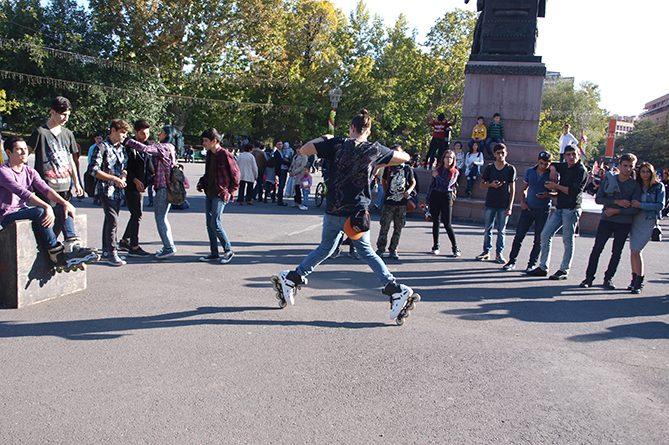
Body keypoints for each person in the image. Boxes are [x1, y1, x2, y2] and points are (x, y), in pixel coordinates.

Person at [273, 109, 417, 321]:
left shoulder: (336, 143)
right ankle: (393, 288)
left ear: (351, 128)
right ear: (368, 130)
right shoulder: (374, 149)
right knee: (364, 251)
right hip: (356, 213)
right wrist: (379, 161)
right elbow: (405, 158)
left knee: (326, 247)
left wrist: (325, 138)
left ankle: (294, 277)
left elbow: (303, 150)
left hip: (334, 207)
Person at [0, 136, 97, 270]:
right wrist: (46, 206)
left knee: (63, 208)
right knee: (40, 211)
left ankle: (72, 246)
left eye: (25, 149)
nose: (24, 153)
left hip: (22, 210)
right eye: (19, 150)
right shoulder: (3, 172)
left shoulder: (29, 171)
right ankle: (55, 252)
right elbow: (22, 192)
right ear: (9, 152)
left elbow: (45, 189)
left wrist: (65, 203)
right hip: (7, 216)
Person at [28, 96, 86, 252]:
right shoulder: (40, 132)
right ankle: (48, 251)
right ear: (52, 112)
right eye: (62, 115)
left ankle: (66, 249)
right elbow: (24, 154)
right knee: (47, 221)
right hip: (47, 186)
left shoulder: (68, 134)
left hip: (65, 184)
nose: (65, 119)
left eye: (68, 115)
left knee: (64, 218)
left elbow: (71, 160)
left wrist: (77, 182)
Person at [580, 153, 641, 289]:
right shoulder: (609, 180)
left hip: (624, 222)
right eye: (625, 166)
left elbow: (635, 209)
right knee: (597, 249)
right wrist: (616, 202)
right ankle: (588, 278)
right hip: (606, 220)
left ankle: (608, 279)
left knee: (616, 252)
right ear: (619, 166)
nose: (627, 169)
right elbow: (599, 199)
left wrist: (617, 210)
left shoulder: (635, 185)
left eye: (631, 166)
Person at [528, 145, 588, 280]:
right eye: (568, 154)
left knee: (567, 239)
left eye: (574, 154)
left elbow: (573, 192)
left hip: (571, 209)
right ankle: (543, 267)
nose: (571, 157)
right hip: (560, 208)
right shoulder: (564, 166)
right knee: (545, 234)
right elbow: (551, 164)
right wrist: (553, 170)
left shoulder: (581, 170)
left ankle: (564, 270)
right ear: (564, 156)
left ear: (578, 154)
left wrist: (555, 186)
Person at [125, 126, 182, 259]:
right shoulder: (171, 148)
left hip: (163, 188)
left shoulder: (164, 146)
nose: (159, 134)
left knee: (160, 218)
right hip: (166, 187)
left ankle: (168, 247)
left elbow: (146, 149)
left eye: (161, 132)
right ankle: (169, 246)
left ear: (166, 135)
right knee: (163, 218)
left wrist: (129, 141)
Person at [89, 119, 131, 266]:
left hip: (118, 190)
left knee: (110, 220)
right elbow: (93, 170)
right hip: (105, 189)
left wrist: (123, 176)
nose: (124, 136)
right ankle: (112, 252)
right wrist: (113, 178)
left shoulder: (122, 148)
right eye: (122, 133)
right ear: (113, 130)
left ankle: (106, 250)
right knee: (113, 220)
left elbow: (125, 166)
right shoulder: (100, 147)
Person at [195, 128, 240, 264]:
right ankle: (214, 252)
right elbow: (208, 173)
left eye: (205, 141)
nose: (204, 144)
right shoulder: (210, 154)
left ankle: (228, 250)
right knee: (210, 225)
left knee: (215, 223)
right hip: (209, 192)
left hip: (220, 195)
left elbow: (236, 176)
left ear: (214, 141)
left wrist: (229, 191)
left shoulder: (225, 155)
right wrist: (202, 183)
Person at [503, 151, 552, 271]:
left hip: (543, 209)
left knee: (538, 239)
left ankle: (531, 264)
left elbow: (556, 192)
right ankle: (512, 261)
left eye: (546, 164)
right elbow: (523, 189)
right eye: (541, 163)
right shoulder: (530, 171)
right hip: (529, 208)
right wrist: (522, 202)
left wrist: (548, 194)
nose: (543, 166)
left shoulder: (552, 174)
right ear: (537, 160)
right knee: (519, 235)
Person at [628, 162, 665, 293]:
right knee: (632, 251)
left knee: (637, 251)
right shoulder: (636, 185)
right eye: (643, 171)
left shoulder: (658, 187)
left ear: (652, 172)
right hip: (634, 220)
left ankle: (639, 282)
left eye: (647, 171)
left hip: (648, 221)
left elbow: (660, 205)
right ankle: (633, 279)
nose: (645, 174)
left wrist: (641, 205)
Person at [476, 143, 516, 263]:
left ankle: (499, 253)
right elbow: (481, 185)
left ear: (506, 154)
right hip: (490, 202)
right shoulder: (489, 168)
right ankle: (486, 251)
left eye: (503, 153)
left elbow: (513, 189)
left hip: (503, 203)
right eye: (498, 153)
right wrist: (491, 185)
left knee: (501, 230)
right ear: (494, 154)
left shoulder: (510, 169)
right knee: (488, 228)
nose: (500, 155)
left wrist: (510, 206)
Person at [118, 119, 152, 258]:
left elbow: (149, 164)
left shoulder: (147, 145)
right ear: (135, 132)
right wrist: (135, 180)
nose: (145, 136)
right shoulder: (128, 146)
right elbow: (126, 167)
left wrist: (151, 178)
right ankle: (134, 246)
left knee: (135, 213)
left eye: (147, 133)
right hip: (131, 184)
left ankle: (125, 240)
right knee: (137, 214)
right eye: (142, 133)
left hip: (142, 184)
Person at [376, 144, 416, 260]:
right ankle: (380, 248)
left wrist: (408, 190)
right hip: (389, 202)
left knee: (398, 227)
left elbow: (413, 182)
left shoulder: (407, 168)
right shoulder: (388, 167)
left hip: (402, 202)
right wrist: (386, 192)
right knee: (385, 225)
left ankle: (393, 249)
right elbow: (383, 181)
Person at [424, 149, 460, 257]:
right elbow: (432, 185)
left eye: (451, 158)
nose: (448, 159)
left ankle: (455, 247)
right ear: (443, 158)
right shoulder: (438, 170)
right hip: (436, 196)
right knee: (435, 222)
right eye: (446, 157)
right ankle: (435, 246)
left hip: (446, 196)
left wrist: (437, 176)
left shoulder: (455, 172)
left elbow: (447, 184)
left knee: (447, 223)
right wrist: (427, 200)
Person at [274, 141, 293, 206]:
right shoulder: (277, 153)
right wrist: (288, 163)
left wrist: (289, 161)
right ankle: (279, 200)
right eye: (278, 144)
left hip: (285, 169)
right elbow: (280, 161)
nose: (280, 146)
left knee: (282, 185)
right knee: (281, 185)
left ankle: (279, 199)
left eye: (281, 144)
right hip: (280, 170)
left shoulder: (284, 151)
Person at [87, 132, 104, 205]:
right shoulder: (93, 147)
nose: (99, 140)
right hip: (95, 168)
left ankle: (100, 197)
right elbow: (89, 158)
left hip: (102, 169)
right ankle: (96, 197)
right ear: (95, 139)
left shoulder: (103, 146)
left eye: (100, 138)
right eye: (97, 139)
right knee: (95, 183)